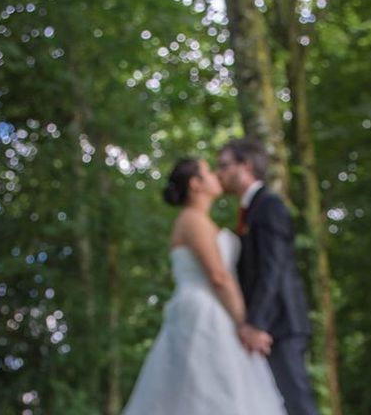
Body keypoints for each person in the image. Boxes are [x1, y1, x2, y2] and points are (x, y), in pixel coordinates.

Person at [122, 157, 287, 415]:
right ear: (196, 184)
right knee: (207, 392)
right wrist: (245, 324)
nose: (215, 175)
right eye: (209, 171)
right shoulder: (192, 220)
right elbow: (218, 276)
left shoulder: (200, 220)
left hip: (215, 310)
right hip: (205, 314)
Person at [216, 138, 320, 415]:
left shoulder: (269, 206)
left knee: (297, 403)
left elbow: (272, 268)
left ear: (246, 166)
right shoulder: (250, 211)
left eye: (224, 165)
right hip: (265, 323)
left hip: (279, 323)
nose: (219, 173)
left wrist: (257, 323)